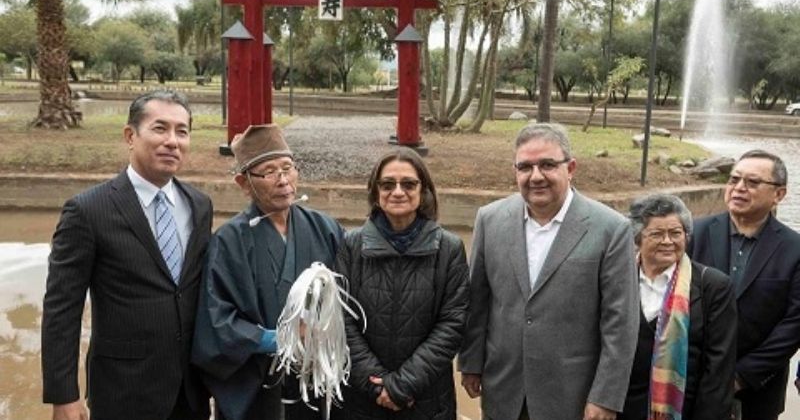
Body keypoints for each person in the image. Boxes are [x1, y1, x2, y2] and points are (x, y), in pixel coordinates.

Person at [41, 90, 213, 420]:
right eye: (160, 128)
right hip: (123, 392)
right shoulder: (88, 210)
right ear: (130, 136)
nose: (172, 141)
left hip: (191, 392)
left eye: (182, 131)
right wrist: (64, 396)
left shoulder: (199, 205)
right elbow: (62, 309)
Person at [458, 122, 639, 420]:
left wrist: (605, 397)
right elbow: (477, 300)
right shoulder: (490, 220)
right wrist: (471, 362)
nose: (536, 176)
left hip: (572, 396)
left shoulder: (611, 229)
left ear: (571, 168)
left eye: (547, 165)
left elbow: (620, 323)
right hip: (504, 389)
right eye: (525, 167)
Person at [192, 124, 344, 420]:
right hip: (256, 384)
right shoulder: (229, 241)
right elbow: (216, 321)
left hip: (314, 378)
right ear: (244, 182)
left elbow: (348, 295)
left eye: (288, 168)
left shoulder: (324, 229)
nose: (283, 180)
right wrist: (280, 339)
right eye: (269, 172)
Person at [331, 148, 469, 420]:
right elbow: (340, 318)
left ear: (423, 190)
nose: (397, 192)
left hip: (427, 399)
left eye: (408, 184)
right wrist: (376, 384)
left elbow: (453, 323)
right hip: (363, 398)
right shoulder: (351, 245)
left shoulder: (449, 248)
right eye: (387, 184)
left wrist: (402, 385)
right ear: (375, 192)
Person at [688, 149, 800, 420]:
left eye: (752, 182)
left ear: (779, 194)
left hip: (758, 390)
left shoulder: (794, 249)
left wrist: (742, 376)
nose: (739, 188)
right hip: (692, 382)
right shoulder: (693, 233)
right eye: (734, 179)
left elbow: (794, 324)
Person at [620, 193, 737, 420]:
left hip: (685, 411)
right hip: (622, 409)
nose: (667, 241)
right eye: (657, 234)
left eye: (675, 233)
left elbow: (719, 368)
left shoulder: (712, 286)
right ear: (637, 238)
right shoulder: (617, 278)